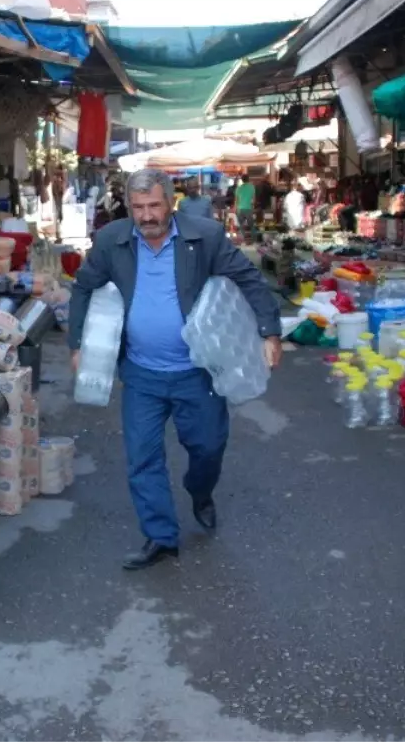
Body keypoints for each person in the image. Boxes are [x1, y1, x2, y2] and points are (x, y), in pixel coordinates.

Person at [68, 168, 283, 570]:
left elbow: (248, 278)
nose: (147, 216)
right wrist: (78, 344)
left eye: (154, 205)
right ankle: (161, 536)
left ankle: (200, 492)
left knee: (207, 447)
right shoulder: (112, 240)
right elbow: (83, 286)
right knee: (142, 457)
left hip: (195, 370)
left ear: (170, 202)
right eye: (138, 208)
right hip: (141, 373)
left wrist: (270, 332)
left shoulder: (205, 237)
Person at [234, 174, 256, 243]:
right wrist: (252, 207)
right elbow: (253, 200)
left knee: (241, 225)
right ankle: (253, 240)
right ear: (248, 179)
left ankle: (244, 239)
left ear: (242, 180)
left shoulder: (238, 188)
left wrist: (235, 209)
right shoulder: (252, 187)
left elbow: (236, 200)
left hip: (240, 209)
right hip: (248, 208)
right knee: (251, 225)